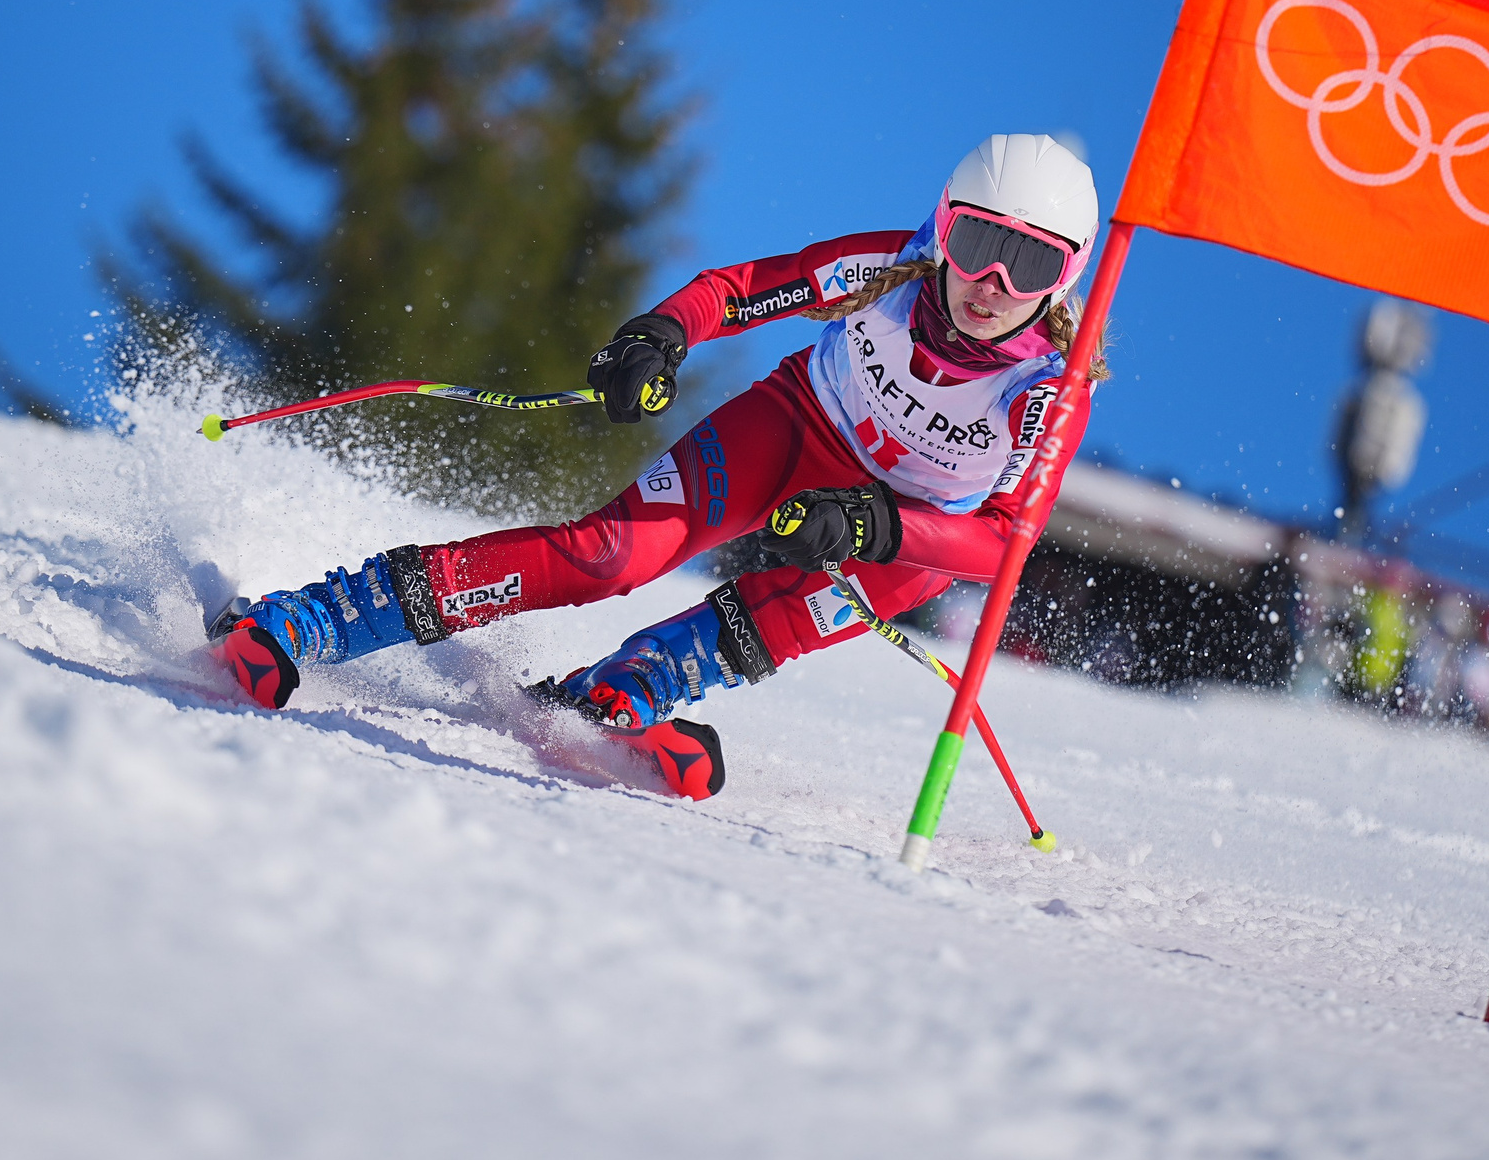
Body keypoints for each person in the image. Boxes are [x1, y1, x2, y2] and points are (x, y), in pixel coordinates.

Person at [202, 133, 1106, 800]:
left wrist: (877, 524)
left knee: (770, 623)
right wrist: (659, 334)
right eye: (980, 242)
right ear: (943, 228)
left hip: (904, 536)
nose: (993, 281)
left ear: (1065, 281)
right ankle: (317, 617)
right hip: (796, 428)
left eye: (1030, 264)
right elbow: (738, 290)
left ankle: (621, 693)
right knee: (607, 556)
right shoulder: (889, 270)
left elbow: (1001, 544)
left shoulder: (1046, 388)